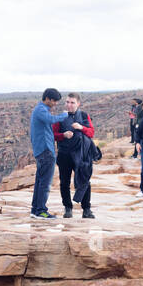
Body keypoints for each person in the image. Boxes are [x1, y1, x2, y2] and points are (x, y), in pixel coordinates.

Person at [54, 92, 96, 217]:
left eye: (72, 102)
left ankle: (86, 209)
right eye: (67, 102)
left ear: (78, 103)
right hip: (64, 154)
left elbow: (91, 133)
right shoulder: (60, 117)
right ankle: (68, 208)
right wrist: (63, 135)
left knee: (84, 181)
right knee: (64, 182)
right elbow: (53, 135)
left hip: (81, 154)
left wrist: (81, 128)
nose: (69, 105)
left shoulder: (83, 116)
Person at [29, 89, 67, 219]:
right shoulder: (41, 110)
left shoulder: (40, 109)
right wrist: (64, 115)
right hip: (45, 151)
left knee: (40, 181)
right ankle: (41, 211)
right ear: (48, 99)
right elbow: (51, 120)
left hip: (42, 151)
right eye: (54, 101)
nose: (55, 103)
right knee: (45, 183)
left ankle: (35, 210)